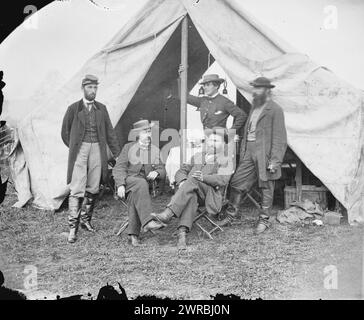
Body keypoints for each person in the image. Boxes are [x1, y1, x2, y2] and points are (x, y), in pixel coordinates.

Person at [218, 77, 287, 234]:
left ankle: (264, 220)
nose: (254, 91)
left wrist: (275, 160)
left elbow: (280, 137)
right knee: (237, 181)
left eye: (258, 88)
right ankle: (231, 215)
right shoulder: (254, 108)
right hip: (249, 150)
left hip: (265, 153)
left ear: (267, 91)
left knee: (266, 185)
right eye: (254, 88)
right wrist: (243, 153)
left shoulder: (275, 109)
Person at [151, 128, 233, 250]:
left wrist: (203, 178)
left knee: (194, 179)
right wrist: (183, 181)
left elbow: (222, 179)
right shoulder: (199, 156)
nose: (211, 143)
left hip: (209, 196)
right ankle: (182, 234)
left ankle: (168, 213)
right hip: (192, 192)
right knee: (191, 194)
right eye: (209, 141)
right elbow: (181, 171)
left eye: (215, 141)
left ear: (224, 144)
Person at [61, 74, 121, 243]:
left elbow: (110, 133)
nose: (92, 91)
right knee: (77, 187)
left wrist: (117, 154)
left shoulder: (101, 109)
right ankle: (72, 228)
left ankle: (86, 221)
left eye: (95, 88)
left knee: (94, 186)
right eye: (89, 87)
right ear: (83, 88)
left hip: (97, 149)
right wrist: (75, 147)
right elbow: (65, 133)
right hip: (80, 149)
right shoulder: (73, 109)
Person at [112, 120, 166, 246]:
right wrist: (120, 184)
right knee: (141, 183)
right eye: (145, 132)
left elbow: (162, 169)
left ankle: (133, 235)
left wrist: (157, 173)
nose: (148, 135)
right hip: (127, 181)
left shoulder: (154, 150)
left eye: (149, 131)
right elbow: (119, 168)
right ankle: (147, 221)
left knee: (135, 194)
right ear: (138, 134)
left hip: (140, 188)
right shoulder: (128, 147)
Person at [178, 67, 247, 140]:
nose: (205, 88)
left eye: (208, 85)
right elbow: (184, 97)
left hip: (220, 141)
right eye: (204, 85)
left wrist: (231, 131)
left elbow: (242, 115)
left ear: (216, 86)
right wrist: (181, 78)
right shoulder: (203, 101)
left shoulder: (225, 102)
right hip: (207, 139)